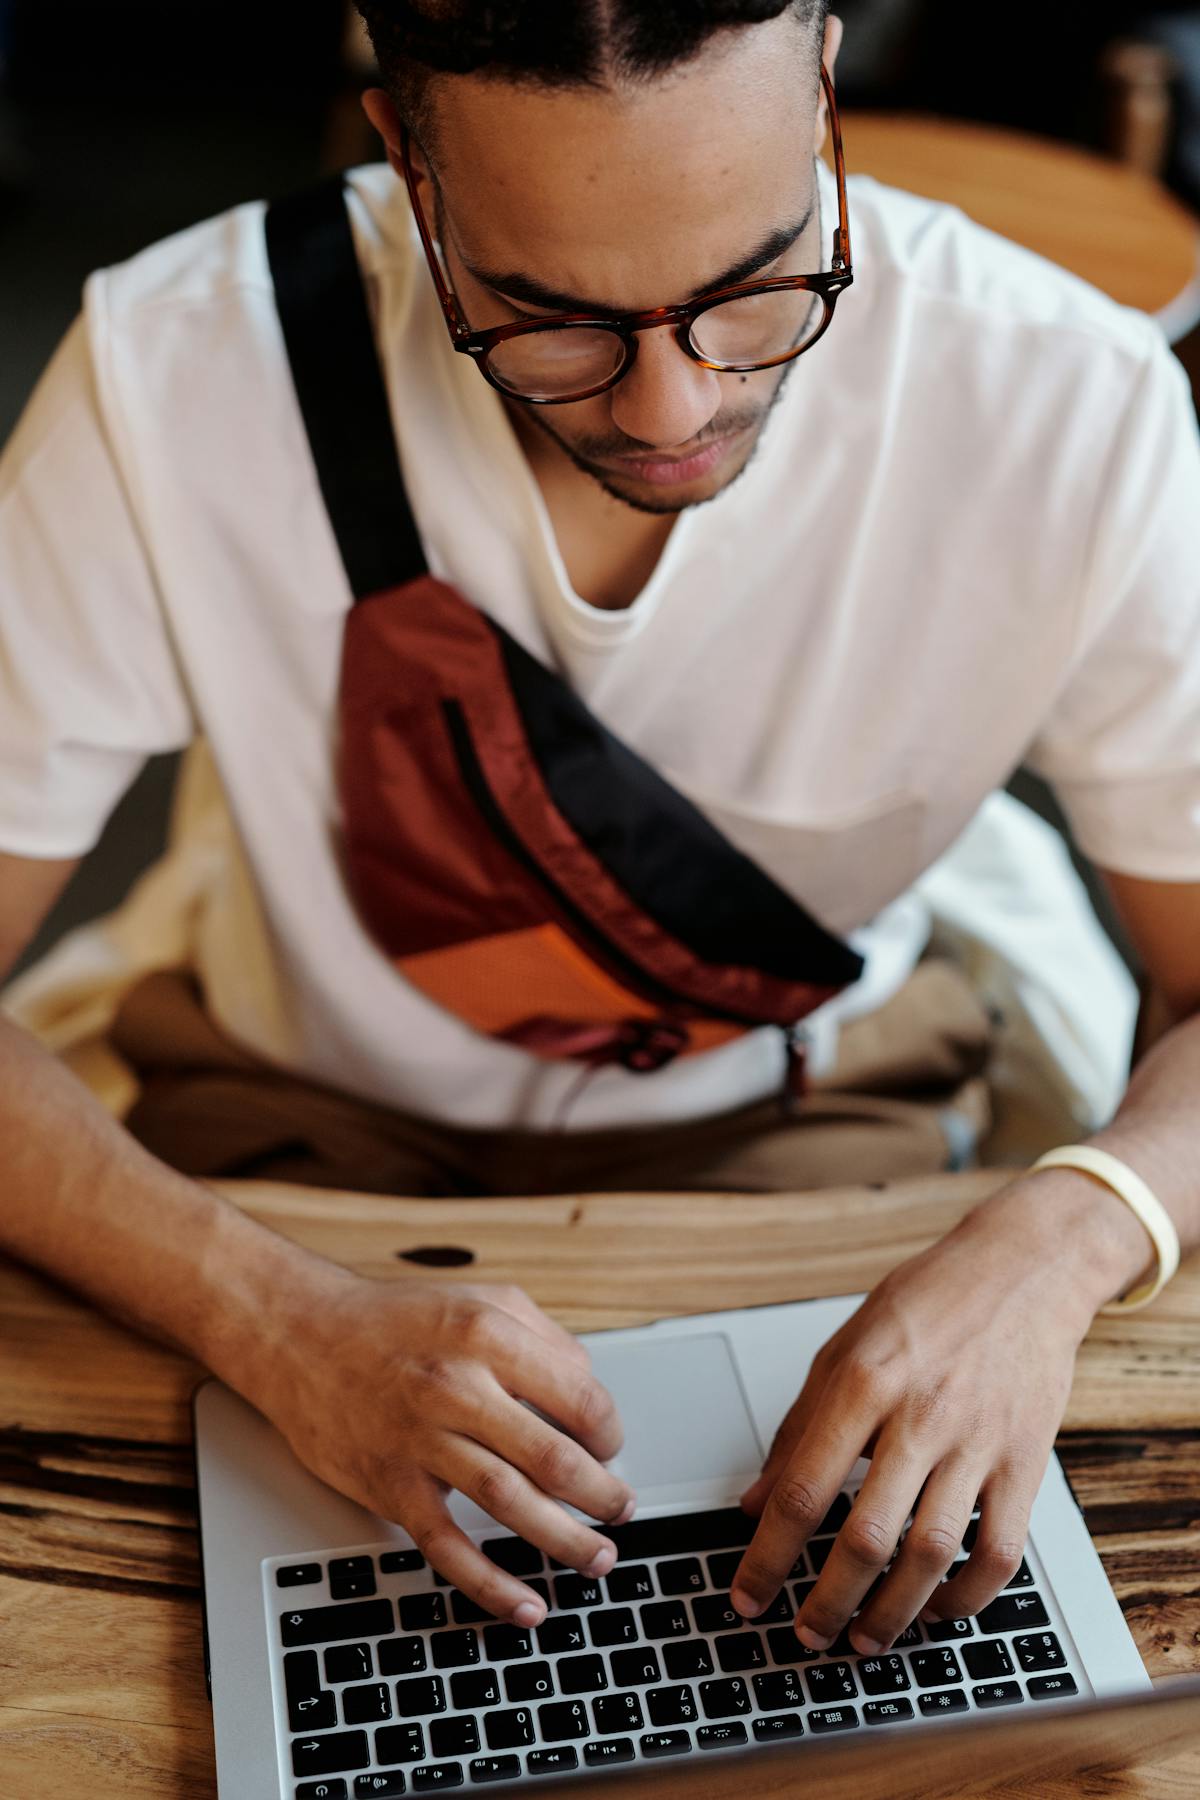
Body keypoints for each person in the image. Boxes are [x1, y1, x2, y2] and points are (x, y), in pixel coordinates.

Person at [0, 0, 1197, 1661]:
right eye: (547, 317)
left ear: (828, 88)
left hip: (809, 1125)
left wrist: (1065, 1238)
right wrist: (261, 1312)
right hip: (293, 1145)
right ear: (406, 165)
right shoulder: (173, 376)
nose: (666, 407)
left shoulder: (1066, 401)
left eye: (759, 286)